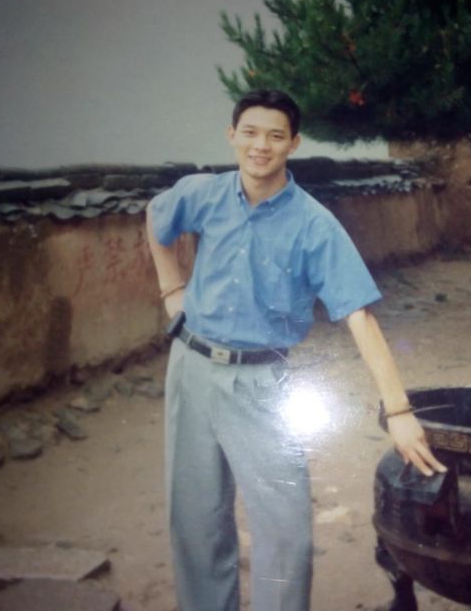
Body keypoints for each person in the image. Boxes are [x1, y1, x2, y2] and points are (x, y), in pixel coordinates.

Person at [146, 89, 446, 611]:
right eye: (250, 133)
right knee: (195, 522)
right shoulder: (204, 194)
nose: (260, 146)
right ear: (232, 135)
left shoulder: (314, 224)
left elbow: (359, 315)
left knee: (286, 535)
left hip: (262, 383)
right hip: (190, 368)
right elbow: (156, 216)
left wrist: (398, 410)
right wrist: (171, 289)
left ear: (294, 143)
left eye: (275, 136)